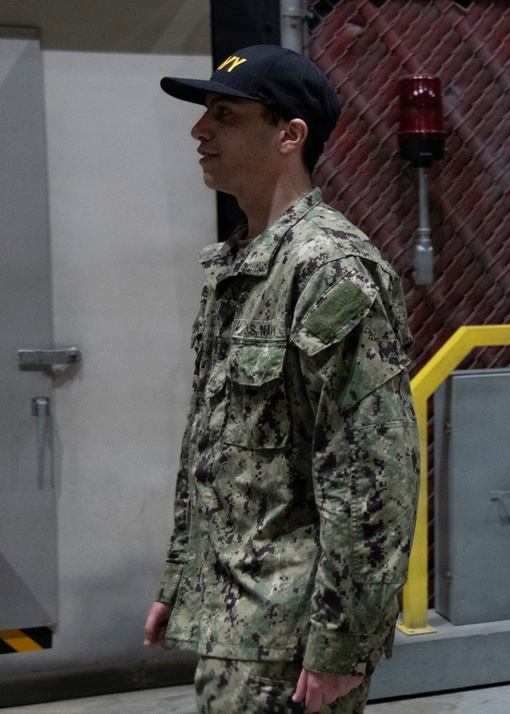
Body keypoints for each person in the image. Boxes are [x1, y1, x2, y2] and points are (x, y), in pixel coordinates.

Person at [142, 44, 419, 714]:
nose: (199, 131)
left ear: (289, 134)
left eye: (225, 115)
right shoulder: (240, 265)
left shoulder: (329, 269)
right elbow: (215, 449)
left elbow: (373, 477)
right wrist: (181, 578)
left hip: (289, 634)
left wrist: (343, 645)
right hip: (233, 616)